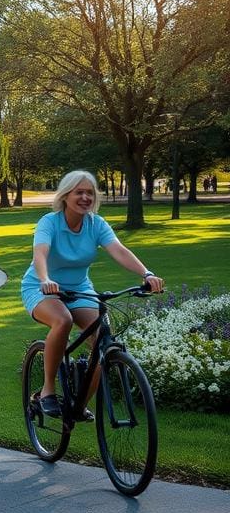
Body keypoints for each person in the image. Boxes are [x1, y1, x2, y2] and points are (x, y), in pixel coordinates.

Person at [21, 170, 165, 418]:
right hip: (42, 287)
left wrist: (146, 274)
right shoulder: (49, 222)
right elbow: (40, 254)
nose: (85, 197)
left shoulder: (96, 224)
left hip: (80, 290)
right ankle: (47, 390)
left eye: (90, 192)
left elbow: (119, 250)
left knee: (101, 341)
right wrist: (45, 279)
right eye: (79, 192)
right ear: (66, 196)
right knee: (62, 320)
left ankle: (78, 405)